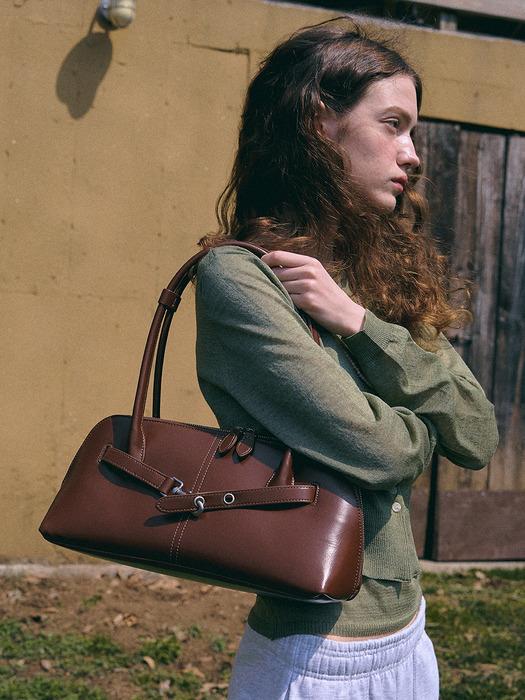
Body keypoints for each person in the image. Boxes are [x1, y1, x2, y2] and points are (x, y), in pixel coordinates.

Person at [193, 17, 499, 700]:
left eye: (412, 131)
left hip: (409, 639)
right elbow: (382, 453)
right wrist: (422, 426)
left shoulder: (378, 277)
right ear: (317, 126)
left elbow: (478, 435)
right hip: (313, 658)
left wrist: (359, 324)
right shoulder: (242, 279)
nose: (412, 155)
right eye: (392, 125)